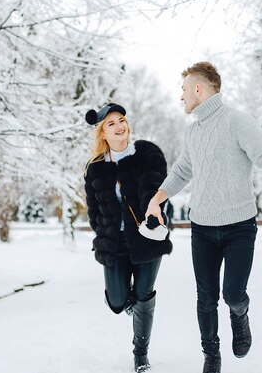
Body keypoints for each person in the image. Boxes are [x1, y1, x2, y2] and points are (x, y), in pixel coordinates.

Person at [145, 62, 262, 373]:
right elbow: (182, 171)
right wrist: (156, 200)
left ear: (198, 90)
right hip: (202, 228)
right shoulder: (193, 132)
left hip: (239, 228)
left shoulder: (237, 122)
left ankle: (240, 314)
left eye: (184, 90)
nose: (181, 97)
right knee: (206, 298)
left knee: (232, 293)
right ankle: (211, 356)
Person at [83, 102, 172, 373]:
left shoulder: (147, 154)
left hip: (146, 239)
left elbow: (155, 190)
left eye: (121, 120)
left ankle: (140, 355)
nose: (119, 126)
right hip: (114, 244)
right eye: (111, 123)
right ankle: (134, 305)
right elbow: (93, 209)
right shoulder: (95, 168)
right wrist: (102, 233)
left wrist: (153, 217)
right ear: (102, 133)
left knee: (144, 296)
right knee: (118, 301)